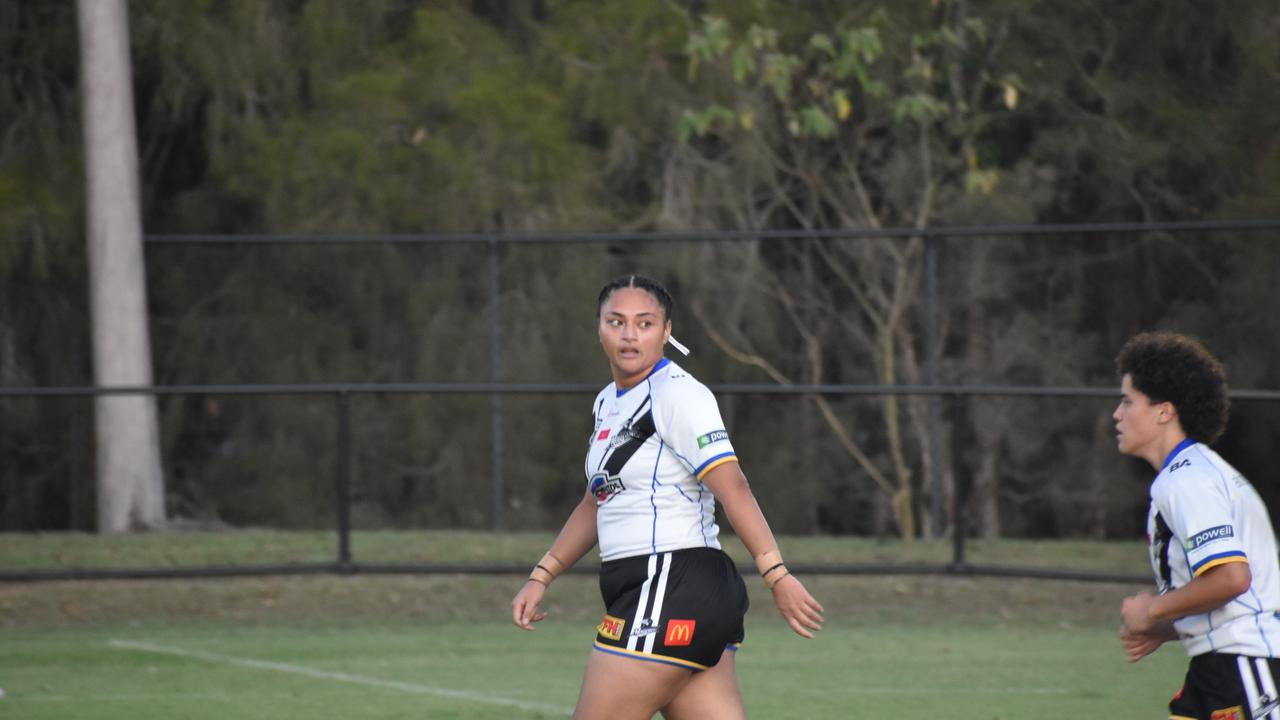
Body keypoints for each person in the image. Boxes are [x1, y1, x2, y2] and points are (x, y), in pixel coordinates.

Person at [511, 274, 824, 720]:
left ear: (667, 331)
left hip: (669, 581)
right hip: (666, 588)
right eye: (616, 321)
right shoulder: (608, 402)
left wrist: (776, 574)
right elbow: (596, 500)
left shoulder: (677, 394)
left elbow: (734, 485)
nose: (629, 334)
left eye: (645, 323)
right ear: (599, 328)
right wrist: (542, 576)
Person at [1115, 331, 1280, 720]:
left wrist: (1153, 611)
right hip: (1219, 668)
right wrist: (1170, 627)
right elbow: (1236, 597)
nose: (1117, 415)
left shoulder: (1188, 481)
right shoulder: (1191, 474)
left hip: (1244, 666)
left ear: (1163, 411)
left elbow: (1231, 579)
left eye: (1127, 401)